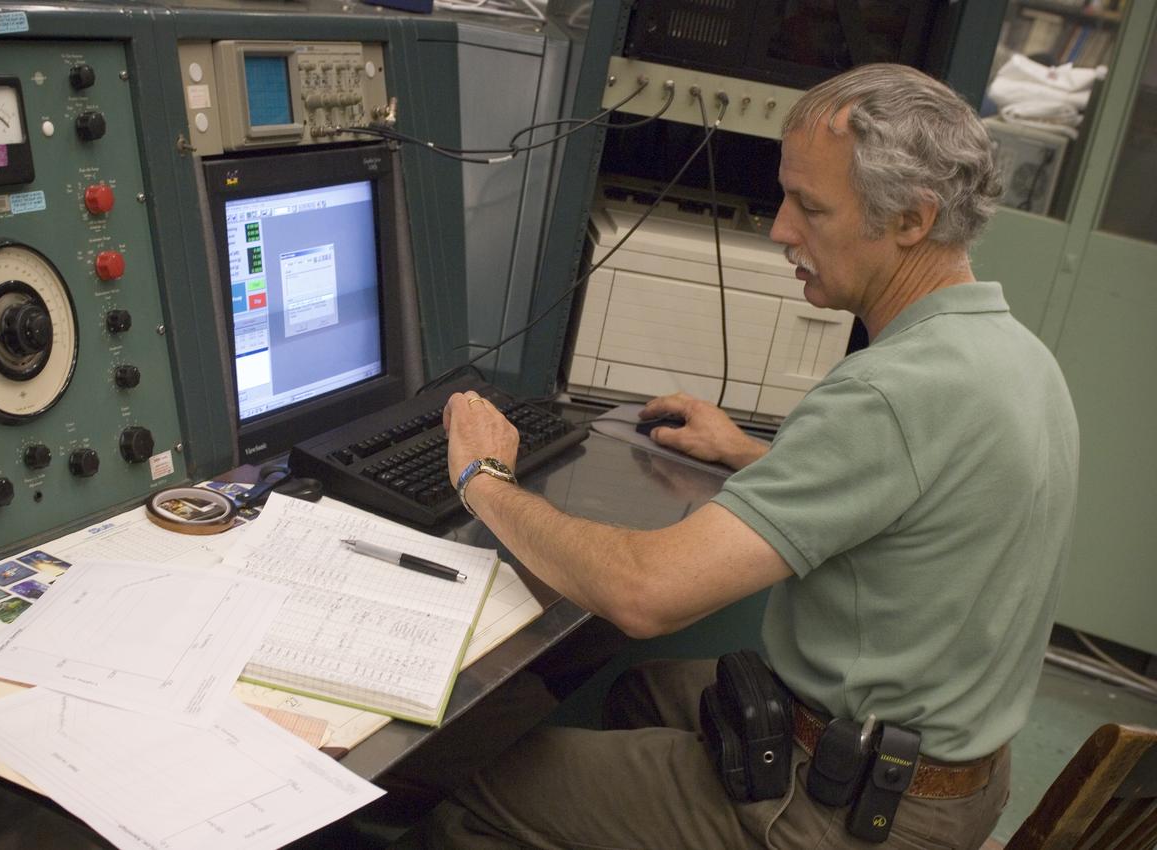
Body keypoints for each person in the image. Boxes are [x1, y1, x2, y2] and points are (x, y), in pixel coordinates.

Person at [403, 63, 1079, 849]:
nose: (780, 228)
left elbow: (642, 593)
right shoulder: (1013, 355)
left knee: (472, 792)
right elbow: (914, 510)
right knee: (641, 694)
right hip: (952, 779)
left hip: (849, 813)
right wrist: (749, 452)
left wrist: (483, 479)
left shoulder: (891, 392)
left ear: (912, 220)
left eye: (811, 206)